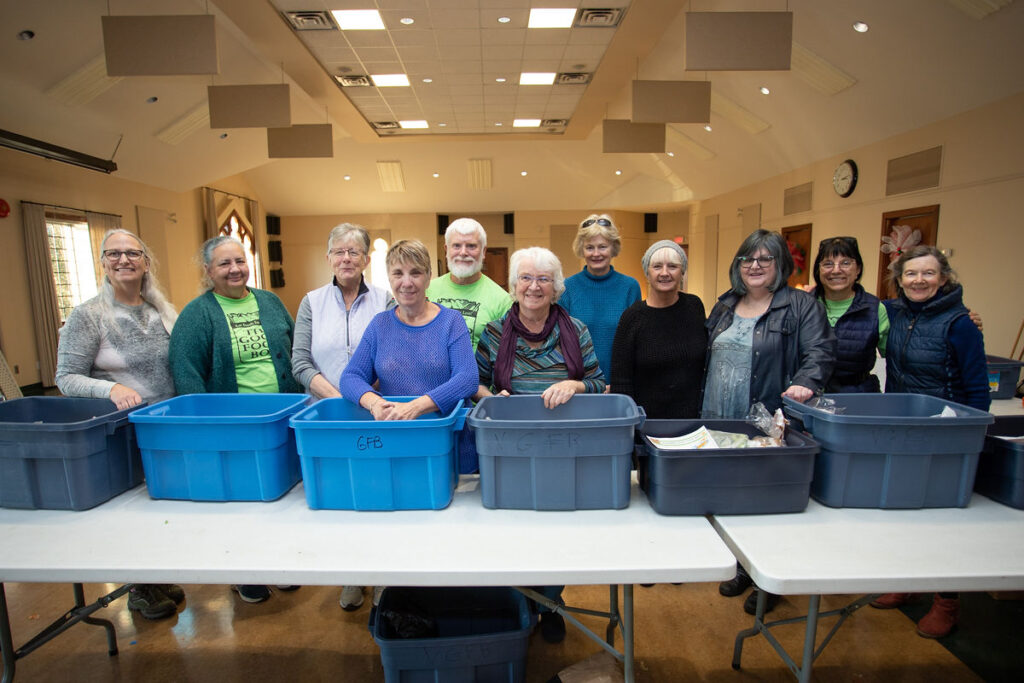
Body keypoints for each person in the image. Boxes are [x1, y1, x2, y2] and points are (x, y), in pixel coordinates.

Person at [475, 247, 606, 644]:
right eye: (526, 278)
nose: (534, 286)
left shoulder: (576, 330)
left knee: (558, 533)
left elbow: (600, 383)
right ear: (514, 286)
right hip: (511, 448)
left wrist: (575, 383)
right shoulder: (495, 333)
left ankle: (550, 603)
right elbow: (474, 385)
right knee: (513, 532)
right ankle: (519, 603)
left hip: (563, 447)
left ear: (556, 287)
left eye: (543, 279)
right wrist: (489, 397)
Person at [704, 229, 836, 616]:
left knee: (765, 497)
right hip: (719, 413)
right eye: (748, 258)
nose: (755, 266)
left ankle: (773, 578)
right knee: (733, 495)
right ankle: (747, 568)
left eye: (765, 259)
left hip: (764, 416)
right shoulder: (726, 303)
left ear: (780, 265)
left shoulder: (800, 305)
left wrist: (804, 384)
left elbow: (821, 352)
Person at [55, 228, 184, 620]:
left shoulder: (161, 311)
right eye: (114, 254)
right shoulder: (88, 315)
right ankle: (139, 589)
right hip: (119, 432)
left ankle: (153, 576)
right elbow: (66, 376)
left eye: (132, 253)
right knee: (130, 512)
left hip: (161, 426)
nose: (124, 260)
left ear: (146, 262)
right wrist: (110, 389)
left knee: (158, 506)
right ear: (103, 263)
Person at [169, 235, 301, 605]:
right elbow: (186, 372)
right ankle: (243, 571)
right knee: (241, 501)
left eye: (239, 261)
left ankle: (279, 564)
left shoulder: (270, 302)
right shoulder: (197, 314)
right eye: (224, 263)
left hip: (281, 417)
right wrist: (205, 424)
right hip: (234, 425)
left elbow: (294, 350)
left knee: (281, 495)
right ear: (209, 271)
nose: (234, 269)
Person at [869, 245, 989, 639]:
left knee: (944, 520)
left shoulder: (961, 324)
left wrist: (973, 437)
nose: (919, 280)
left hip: (948, 432)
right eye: (911, 274)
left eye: (928, 273)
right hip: (904, 428)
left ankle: (946, 601)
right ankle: (906, 578)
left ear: (944, 278)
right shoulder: (897, 312)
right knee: (903, 507)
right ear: (899, 279)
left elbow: (977, 388)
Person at [291, 222, 390, 611]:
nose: (346, 258)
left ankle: (382, 578)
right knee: (339, 499)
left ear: (366, 259)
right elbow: (300, 361)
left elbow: (391, 354)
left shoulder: (384, 299)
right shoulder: (311, 302)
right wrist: (339, 398)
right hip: (327, 416)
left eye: (354, 252)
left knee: (377, 494)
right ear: (328, 256)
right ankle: (350, 575)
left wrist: (365, 399)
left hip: (374, 414)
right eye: (339, 251)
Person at [339, 239, 477, 422]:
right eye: (398, 273)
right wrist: (374, 403)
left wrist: (415, 407)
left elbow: (467, 379)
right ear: (389, 278)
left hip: (447, 435)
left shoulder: (451, 321)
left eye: (415, 273)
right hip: (399, 435)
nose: (406, 283)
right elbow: (350, 377)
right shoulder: (379, 325)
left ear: (428, 277)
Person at [611, 240, 706, 419]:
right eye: (657, 266)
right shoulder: (632, 318)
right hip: (647, 424)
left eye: (672, 266)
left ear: (682, 271)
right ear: (647, 272)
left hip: (692, 423)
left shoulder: (695, 306)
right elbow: (621, 381)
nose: (664, 273)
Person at [559, 214, 641, 383]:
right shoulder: (566, 287)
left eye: (602, 246)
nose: (596, 253)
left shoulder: (630, 287)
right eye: (590, 247)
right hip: (577, 386)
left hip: (619, 383)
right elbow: (560, 343)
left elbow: (636, 343)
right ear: (582, 249)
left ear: (613, 248)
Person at [810, 237, 889, 393]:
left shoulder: (874, 309)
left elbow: (895, 360)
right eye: (828, 264)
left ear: (858, 269)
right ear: (819, 270)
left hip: (858, 399)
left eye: (846, 263)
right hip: (809, 397)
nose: (836, 270)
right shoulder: (803, 305)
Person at [427, 217, 513, 349]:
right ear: (446, 249)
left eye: (471, 246)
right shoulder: (427, 290)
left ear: (484, 251)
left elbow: (506, 353)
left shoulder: (502, 301)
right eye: (456, 246)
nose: (463, 252)